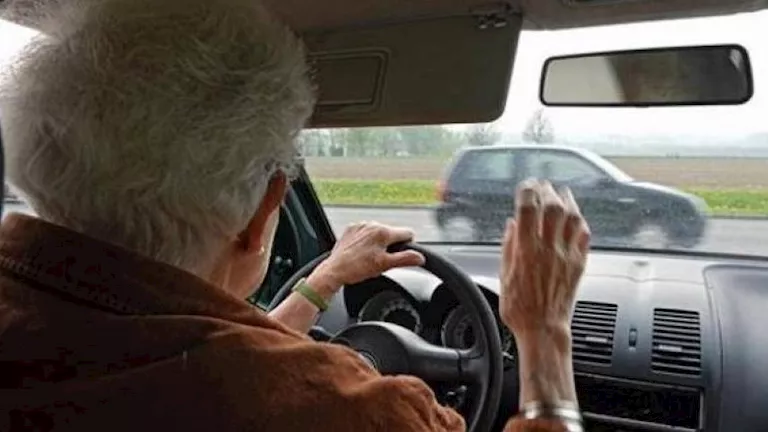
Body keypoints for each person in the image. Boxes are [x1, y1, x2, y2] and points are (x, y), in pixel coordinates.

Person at [0, 0, 590, 431]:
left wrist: (321, 281)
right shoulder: (346, 411)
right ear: (264, 212)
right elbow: (231, 372)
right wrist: (544, 336)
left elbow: (189, 346)